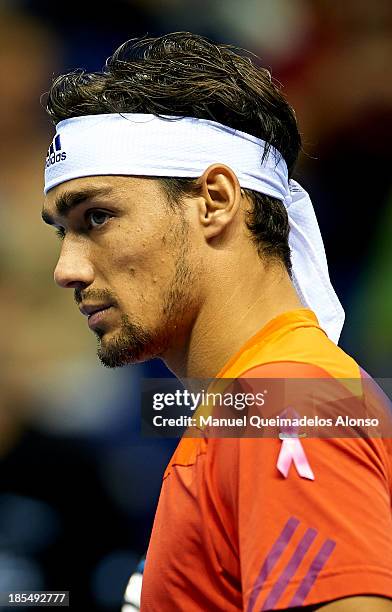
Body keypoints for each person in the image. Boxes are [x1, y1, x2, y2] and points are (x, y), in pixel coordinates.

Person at [41, 33, 392, 611]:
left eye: (97, 217)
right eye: (63, 230)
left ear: (215, 199)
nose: (67, 269)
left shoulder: (284, 403)